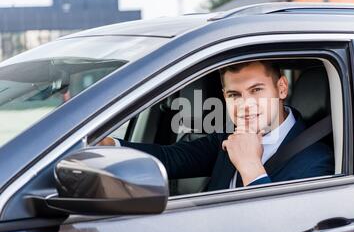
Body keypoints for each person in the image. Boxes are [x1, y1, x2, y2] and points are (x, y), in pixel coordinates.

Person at [99, 61, 334, 191]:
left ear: (281, 88)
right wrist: (110, 146)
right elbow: (170, 159)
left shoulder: (317, 160)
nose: (245, 105)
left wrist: (250, 167)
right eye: (234, 95)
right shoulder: (227, 139)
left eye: (256, 90)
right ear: (224, 96)